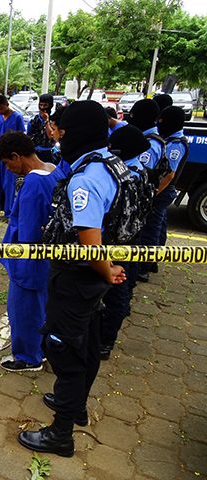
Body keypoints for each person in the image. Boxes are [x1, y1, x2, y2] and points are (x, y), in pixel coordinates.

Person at [19, 101, 127, 457]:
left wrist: (106, 268)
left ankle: (60, 433)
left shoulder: (86, 180)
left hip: (77, 278)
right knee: (89, 343)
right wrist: (108, 268)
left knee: (65, 350)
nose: (58, 138)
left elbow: (89, 241)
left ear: (77, 133)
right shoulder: (110, 163)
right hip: (91, 280)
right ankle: (76, 405)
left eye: (63, 132)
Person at [0, 131, 65, 371]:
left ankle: (27, 357)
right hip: (49, 259)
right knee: (42, 308)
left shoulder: (33, 184)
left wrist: (20, 264)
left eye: (8, 163)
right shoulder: (54, 170)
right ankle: (40, 349)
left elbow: (27, 230)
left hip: (29, 261)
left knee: (23, 311)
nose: (8, 169)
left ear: (17, 156)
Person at [99, 125, 152, 360]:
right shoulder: (138, 170)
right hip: (130, 238)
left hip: (121, 241)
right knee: (122, 285)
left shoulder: (129, 177)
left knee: (115, 290)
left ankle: (104, 341)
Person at [139, 106, 188, 280]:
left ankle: (144, 267)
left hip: (163, 192)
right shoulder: (170, 139)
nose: (159, 124)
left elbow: (170, 174)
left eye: (162, 121)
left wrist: (154, 193)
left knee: (151, 229)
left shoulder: (176, 144)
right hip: (162, 192)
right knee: (158, 226)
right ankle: (153, 261)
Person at [127, 99, 165, 281]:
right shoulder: (146, 138)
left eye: (133, 115)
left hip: (143, 197)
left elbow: (141, 175)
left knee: (146, 233)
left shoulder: (149, 144)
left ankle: (142, 269)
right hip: (144, 196)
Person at [27, 94, 56, 163]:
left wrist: (46, 121)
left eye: (45, 105)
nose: (42, 108)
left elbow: (52, 136)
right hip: (34, 153)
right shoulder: (33, 120)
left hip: (48, 153)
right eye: (41, 105)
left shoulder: (54, 120)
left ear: (50, 106)